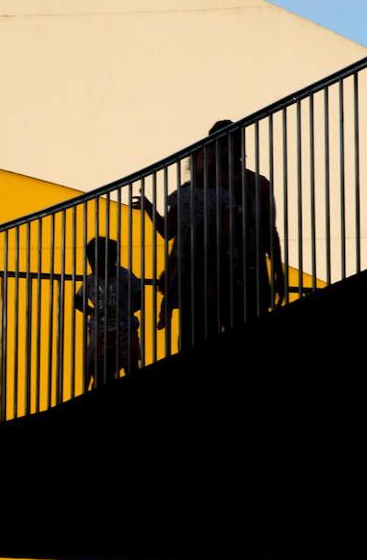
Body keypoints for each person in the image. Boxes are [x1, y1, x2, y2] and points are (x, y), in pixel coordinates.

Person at [133, 120, 287, 349]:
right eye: (219, 144)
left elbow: (267, 231)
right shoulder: (193, 190)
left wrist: (277, 272)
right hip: (205, 284)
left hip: (240, 280)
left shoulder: (255, 184)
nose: (221, 150)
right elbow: (174, 234)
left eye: (227, 144)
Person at [73, 236, 145, 389]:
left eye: (97, 261)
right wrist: (92, 312)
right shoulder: (90, 281)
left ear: (112, 259)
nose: (94, 266)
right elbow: (77, 301)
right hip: (100, 331)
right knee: (101, 369)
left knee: (130, 364)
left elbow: (138, 295)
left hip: (125, 328)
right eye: (91, 262)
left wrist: (128, 309)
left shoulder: (124, 276)